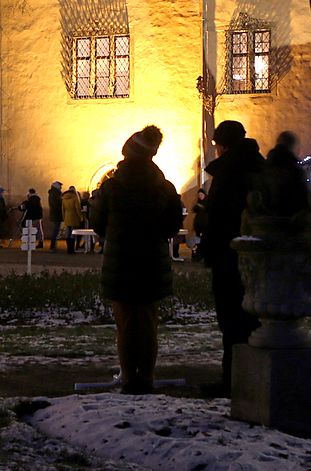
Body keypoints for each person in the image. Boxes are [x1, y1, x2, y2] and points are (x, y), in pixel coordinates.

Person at [91, 126, 182, 393]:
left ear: (128, 155)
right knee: (148, 322)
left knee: (126, 323)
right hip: (152, 263)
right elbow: (171, 228)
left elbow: (98, 224)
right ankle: (148, 377)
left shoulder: (111, 187)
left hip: (120, 262)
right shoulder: (165, 187)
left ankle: (129, 378)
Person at [201, 119, 266, 396]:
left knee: (232, 318)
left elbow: (218, 215)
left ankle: (233, 379)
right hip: (256, 253)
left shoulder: (228, 172)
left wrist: (206, 240)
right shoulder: (259, 167)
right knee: (251, 317)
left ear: (222, 144)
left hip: (229, 253)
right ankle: (253, 375)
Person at [62, 185, 83, 254]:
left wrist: (64, 217)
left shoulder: (64, 197)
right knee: (73, 232)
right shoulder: (75, 197)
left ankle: (68, 248)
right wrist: (80, 217)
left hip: (67, 215)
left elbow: (63, 209)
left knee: (68, 232)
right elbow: (78, 208)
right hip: (74, 215)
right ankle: (72, 249)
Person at [48, 182, 65, 250]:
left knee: (56, 230)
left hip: (55, 214)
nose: (61, 188)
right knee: (55, 230)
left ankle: (53, 244)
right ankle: (53, 245)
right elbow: (57, 205)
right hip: (56, 214)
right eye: (60, 186)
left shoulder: (53, 194)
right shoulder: (55, 195)